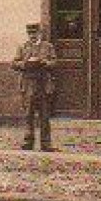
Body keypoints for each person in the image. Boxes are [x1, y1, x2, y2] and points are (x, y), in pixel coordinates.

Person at [13, 21, 58, 152]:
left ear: (40, 33)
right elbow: (14, 63)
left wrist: (45, 62)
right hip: (28, 84)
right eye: (30, 33)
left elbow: (54, 62)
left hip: (43, 84)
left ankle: (46, 143)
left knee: (44, 115)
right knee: (28, 114)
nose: (32, 36)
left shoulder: (48, 47)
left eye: (35, 33)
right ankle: (28, 141)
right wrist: (24, 63)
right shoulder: (23, 47)